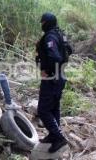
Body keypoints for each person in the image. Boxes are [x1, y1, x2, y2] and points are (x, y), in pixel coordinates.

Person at [35, 13, 68, 153]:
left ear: (46, 23)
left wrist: (47, 71)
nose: (41, 25)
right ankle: (53, 135)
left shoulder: (50, 36)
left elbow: (55, 56)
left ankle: (59, 137)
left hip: (52, 78)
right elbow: (68, 50)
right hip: (60, 76)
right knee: (54, 108)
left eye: (42, 22)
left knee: (43, 110)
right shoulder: (59, 33)